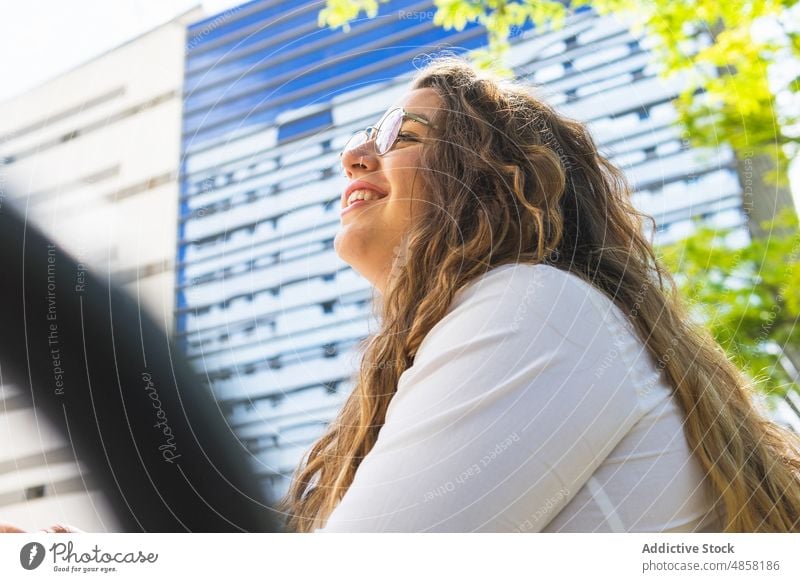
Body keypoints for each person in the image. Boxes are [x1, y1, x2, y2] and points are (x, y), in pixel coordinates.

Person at [276, 54, 800, 533]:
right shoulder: (535, 312)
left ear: (491, 183)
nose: (356, 156)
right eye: (365, 135)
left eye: (403, 135)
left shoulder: (533, 305)